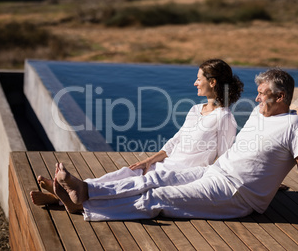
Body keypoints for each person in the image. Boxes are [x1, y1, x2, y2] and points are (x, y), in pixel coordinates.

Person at [53, 67, 298, 234]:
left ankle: (85, 204)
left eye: (262, 95)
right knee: (155, 179)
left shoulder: (296, 126)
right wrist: (274, 183)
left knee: (158, 196)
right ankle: (86, 190)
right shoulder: (258, 114)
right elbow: (255, 156)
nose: (255, 100)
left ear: (280, 97)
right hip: (216, 173)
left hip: (237, 195)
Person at [30, 58, 244, 206]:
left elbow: (223, 159)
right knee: (128, 173)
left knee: (139, 184)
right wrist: (148, 161)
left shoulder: (225, 118)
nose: (195, 82)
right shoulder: (196, 109)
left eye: (199, 78)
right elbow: (175, 141)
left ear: (212, 82)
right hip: (168, 164)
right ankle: (67, 194)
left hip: (188, 174)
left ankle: (72, 193)